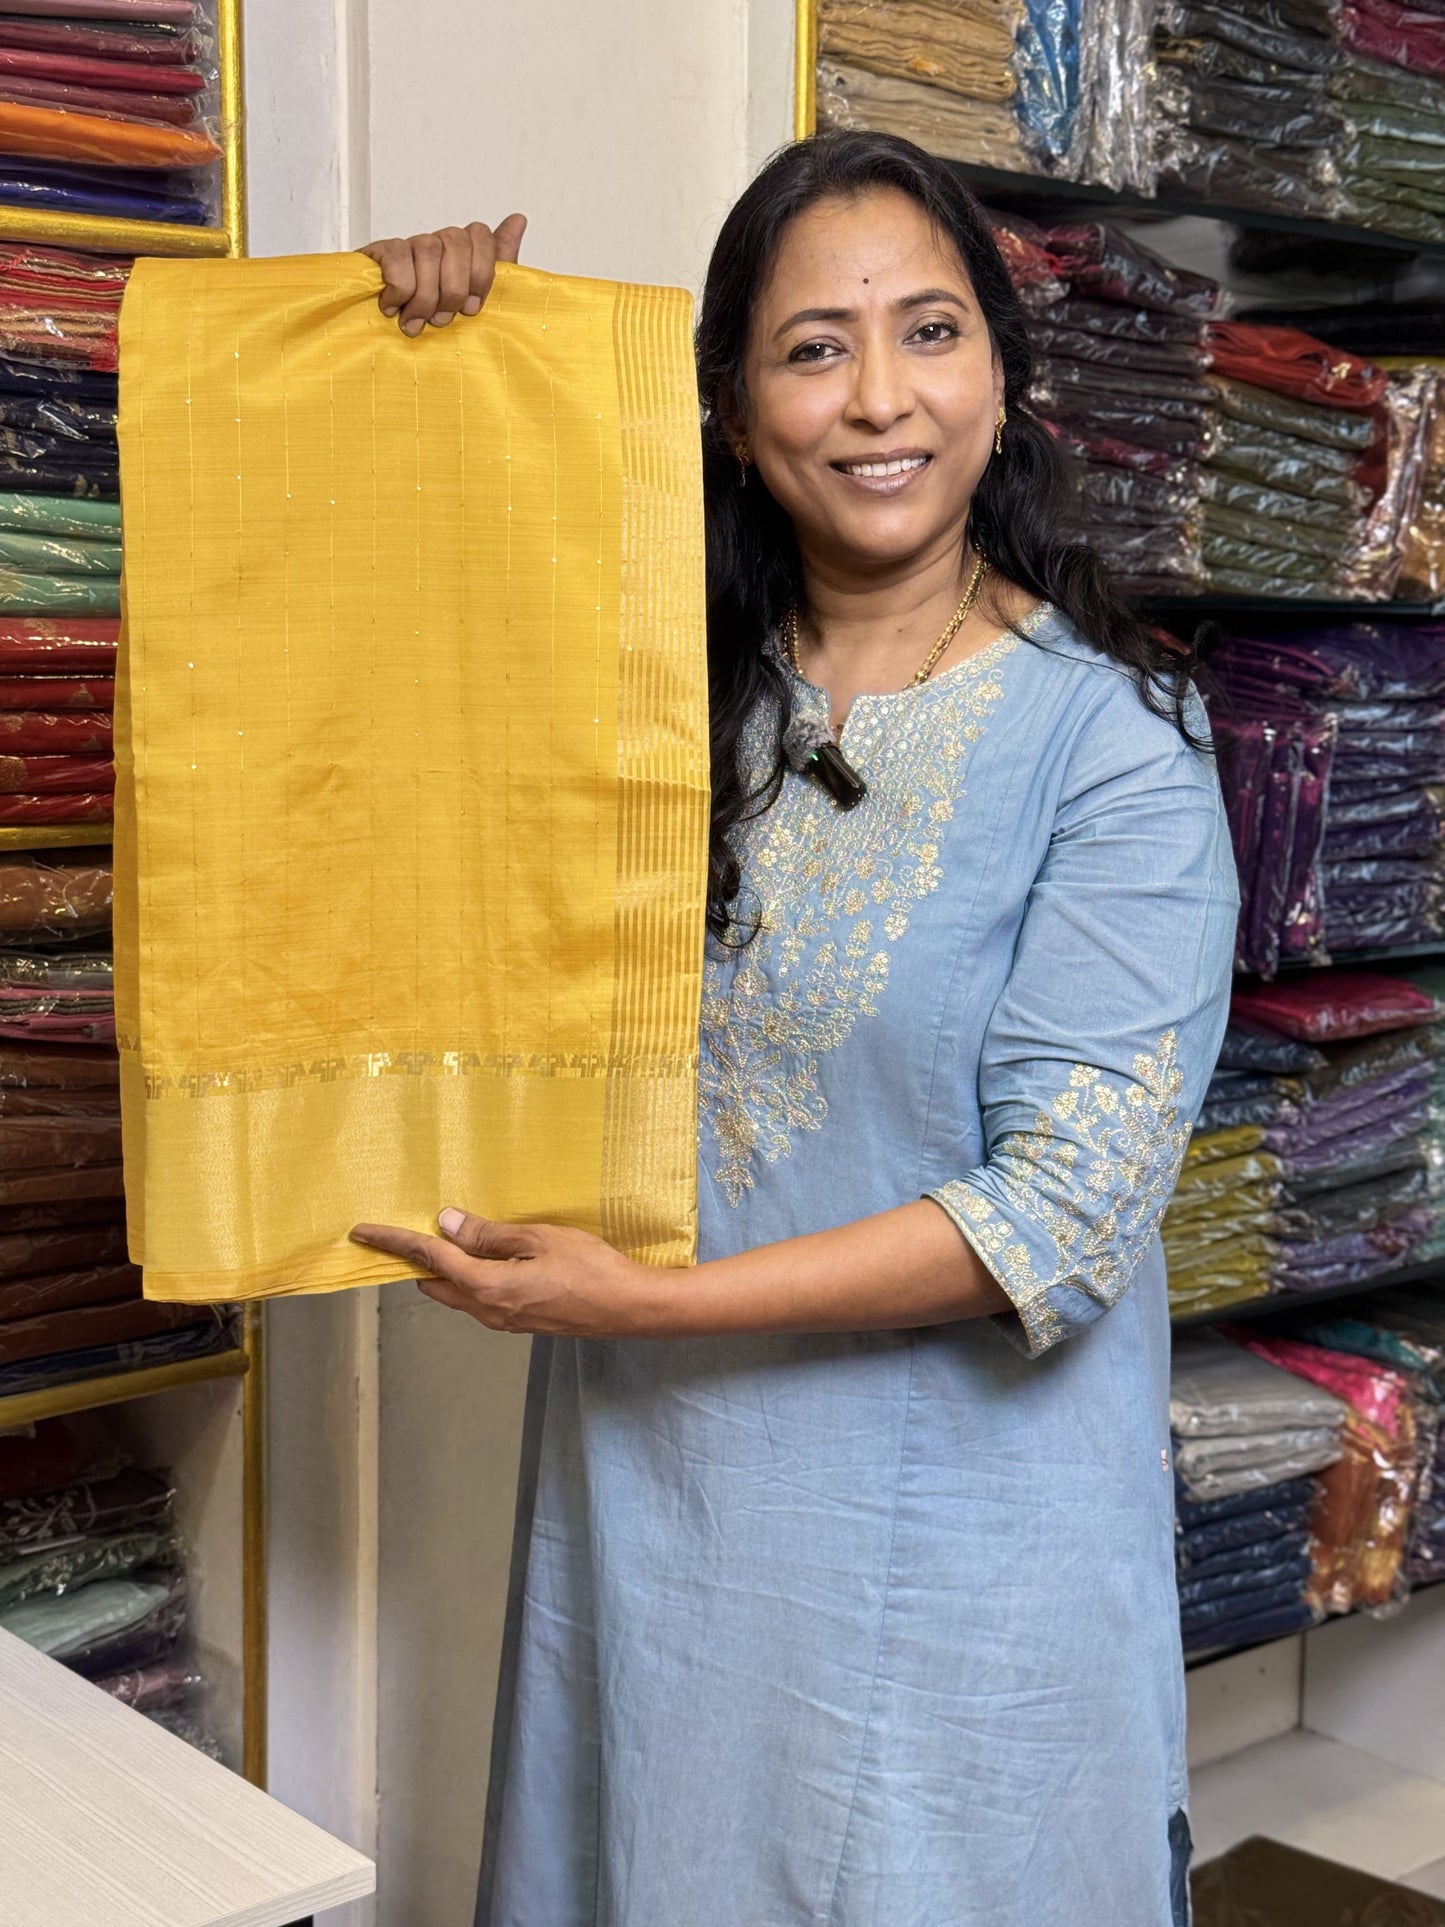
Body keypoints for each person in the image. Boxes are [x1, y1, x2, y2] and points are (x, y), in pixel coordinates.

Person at [350, 132, 1238, 1927]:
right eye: (812, 348)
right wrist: (419, 352)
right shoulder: (664, 703)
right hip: (658, 1515)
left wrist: (639, 1306)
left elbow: (1061, 1210)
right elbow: (383, 677)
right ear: (736, 410)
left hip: (957, 1558)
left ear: (1002, 374)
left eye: (927, 333)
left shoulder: (1115, 754)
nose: (878, 399)